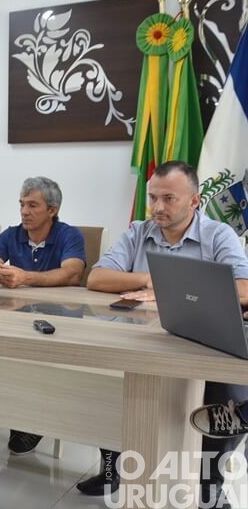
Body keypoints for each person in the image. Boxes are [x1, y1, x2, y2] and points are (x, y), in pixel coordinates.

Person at [81, 161, 248, 505]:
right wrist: (150, 279)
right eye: (153, 198)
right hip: (143, 339)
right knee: (103, 381)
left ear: (194, 201)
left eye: (169, 198)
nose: (157, 207)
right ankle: (113, 467)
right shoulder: (138, 232)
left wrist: (181, 289)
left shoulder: (218, 235)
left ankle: (210, 484)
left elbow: (245, 287)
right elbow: (97, 278)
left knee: (227, 394)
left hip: (200, 340)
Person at [0, 176, 86, 455]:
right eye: (21, 204)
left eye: (33, 205)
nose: (24, 212)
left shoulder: (69, 234)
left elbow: (72, 272)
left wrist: (25, 277)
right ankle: (17, 414)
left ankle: (36, 420)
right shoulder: (11, 234)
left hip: (61, 323)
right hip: (17, 321)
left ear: (52, 210)